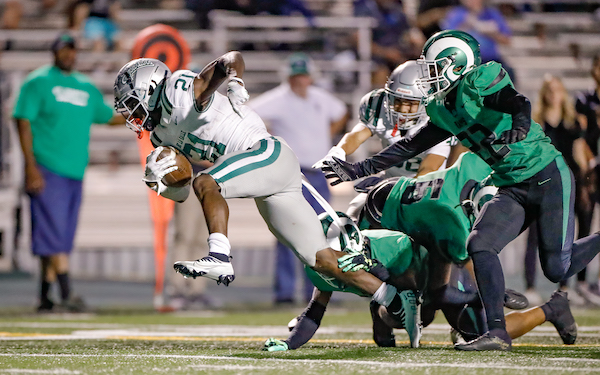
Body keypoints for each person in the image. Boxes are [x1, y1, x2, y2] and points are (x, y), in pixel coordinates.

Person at [320, 30, 600, 351]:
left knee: (557, 268)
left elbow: (516, 101)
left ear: (457, 65)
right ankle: (497, 333)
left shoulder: (478, 81)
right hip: (511, 183)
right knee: (479, 244)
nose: (429, 77)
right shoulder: (442, 107)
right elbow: (411, 145)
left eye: (434, 68)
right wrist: (359, 168)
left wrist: (521, 124)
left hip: (547, 175)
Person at [113, 52, 413, 320]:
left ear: (149, 88)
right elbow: (182, 191)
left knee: (209, 182)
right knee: (323, 260)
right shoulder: (159, 136)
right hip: (264, 175)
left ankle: (219, 256)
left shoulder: (178, 91)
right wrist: (164, 181)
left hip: (266, 152)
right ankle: (395, 298)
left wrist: (234, 79)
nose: (129, 113)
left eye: (130, 102)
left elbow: (230, 59)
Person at [263, 219, 576, 351]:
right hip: (406, 290)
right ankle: (383, 325)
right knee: (391, 308)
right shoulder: (320, 267)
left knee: (479, 332)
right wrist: (290, 344)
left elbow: (417, 287)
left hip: (432, 268)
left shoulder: (388, 246)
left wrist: (374, 267)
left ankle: (549, 308)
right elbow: (315, 310)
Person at [13, 32, 119, 312]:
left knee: (58, 236)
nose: (70, 55)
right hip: (47, 167)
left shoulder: (84, 86)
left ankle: (46, 297)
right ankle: (67, 292)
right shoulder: (38, 81)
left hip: (75, 171)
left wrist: (144, 115)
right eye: (65, 50)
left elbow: (108, 117)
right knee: (55, 233)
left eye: (73, 50)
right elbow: (22, 121)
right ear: (55, 51)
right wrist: (30, 166)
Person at [249, 52, 348, 305]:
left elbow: (341, 112)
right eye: (296, 76)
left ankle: (318, 289)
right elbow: (248, 115)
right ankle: (284, 292)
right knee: (286, 232)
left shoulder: (319, 98)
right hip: (290, 175)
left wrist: (327, 136)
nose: (300, 81)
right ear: (289, 78)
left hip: (317, 173)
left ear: (309, 77)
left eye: (303, 76)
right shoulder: (279, 99)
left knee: (321, 231)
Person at [311, 60, 455, 220]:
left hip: (429, 188)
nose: (402, 109)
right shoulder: (380, 105)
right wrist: (338, 151)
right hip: (391, 179)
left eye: (410, 103)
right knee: (354, 214)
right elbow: (357, 134)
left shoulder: (437, 121)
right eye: (397, 100)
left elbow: (428, 169)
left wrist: (388, 188)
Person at [525, 75, 598, 307]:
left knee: (569, 235)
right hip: (544, 183)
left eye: (557, 90)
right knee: (535, 235)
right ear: (544, 94)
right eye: (550, 90)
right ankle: (530, 287)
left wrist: (586, 184)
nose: (553, 94)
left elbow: (579, 153)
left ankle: (566, 287)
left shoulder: (573, 122)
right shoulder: (536, 121)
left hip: (570, 180)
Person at [575, 52, 600, 299]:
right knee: (585, 223)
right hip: (592, 168)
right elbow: (581, 137)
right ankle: (581, 281)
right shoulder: (585, 99)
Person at [441, 0, 515, 83]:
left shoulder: (492, 14)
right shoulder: (456, 14)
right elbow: (447, 39)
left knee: (508, 74)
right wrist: (464, 26)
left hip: (490, 61)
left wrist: (490, 32)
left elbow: (507, 40)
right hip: (465, 63)